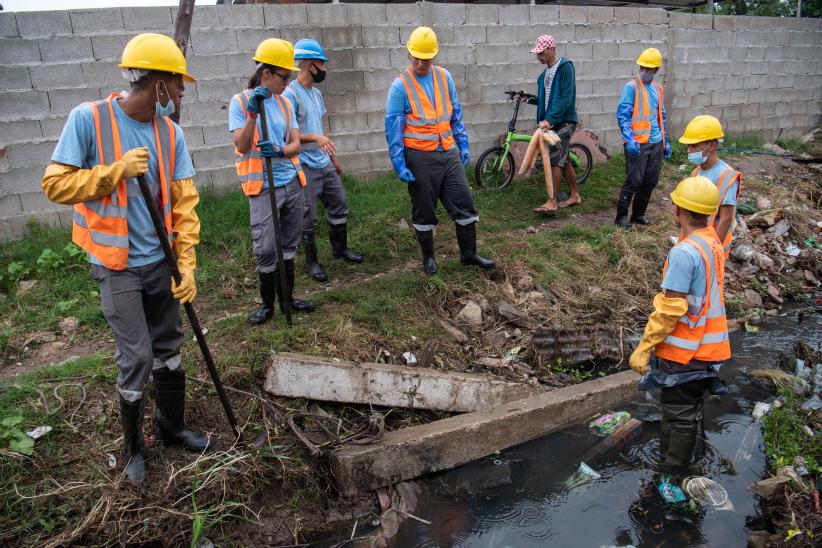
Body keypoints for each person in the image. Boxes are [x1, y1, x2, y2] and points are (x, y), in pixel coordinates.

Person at [41, 33, 210, 482]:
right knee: (136, 355)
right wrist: (113, 173)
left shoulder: (170, 133)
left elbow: (185, 205)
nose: (181, 92)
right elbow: (55, 184)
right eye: (177, 84)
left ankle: (171, 425)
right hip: (116, 265)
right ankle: (134, 447)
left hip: (160, 262)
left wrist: (186, 262)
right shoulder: (89, 119)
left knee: (169, 346)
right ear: (156, 84)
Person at [629, 176, 731, 467]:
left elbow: (670, 308)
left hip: (684, 352)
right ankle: (689, 457)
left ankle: (673, 471)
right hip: (707, 349)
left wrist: (645, 346)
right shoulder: (711, 243)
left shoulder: (684, 252)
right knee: (689, 409)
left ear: (678, 210)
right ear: (710, 212)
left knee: (680, 413)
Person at [384, 26, 494, 275]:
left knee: (464, 202)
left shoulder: (444, 77)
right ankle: (429, 259)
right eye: (417, 58)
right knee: (424, 207)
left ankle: (469, 254)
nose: (421, 63)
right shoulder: (400, 87)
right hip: (420, 156)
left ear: (434, 56)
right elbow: (393, 128)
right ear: (409, 54)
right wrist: (399, 163)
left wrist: (462, 144)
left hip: (449, 152)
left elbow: (455, 114)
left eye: (427, 58)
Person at [229, 38, 316, 325]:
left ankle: (288, 299)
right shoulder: (240, 102)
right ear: (266, 73)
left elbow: (295, 144)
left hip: (291, 182)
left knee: (288, 245)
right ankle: (267, 305)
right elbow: (242, 145)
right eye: (284, 76)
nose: (287, 82)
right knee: (267, 247)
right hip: (263, 187)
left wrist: (279, 150)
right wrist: (254, 113)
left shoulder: (284, 102)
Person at [283, 38, 363, 283]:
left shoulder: (316, 94)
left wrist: (334, 159)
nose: (325, 68)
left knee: (339, 204)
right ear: (309, 65)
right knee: (308, 216)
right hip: (304, 164)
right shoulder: (290, 94)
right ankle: (312, 263)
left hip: (324, 162)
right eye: (322, 63)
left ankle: (340, 249)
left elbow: (323, 131)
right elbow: (289, 134)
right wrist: (315, 138)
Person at [615, 47, 672, 229]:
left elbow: (660, 115)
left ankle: (638, 215)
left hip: (655, 142)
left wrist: (665, 140)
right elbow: (623, 115)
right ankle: (620, 218)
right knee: (633, 181)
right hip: (638, 143)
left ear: (656, 70)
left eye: (649, 69)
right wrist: (629, 138)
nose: (645, 72)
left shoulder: (659, 89)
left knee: (650, 182)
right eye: (643, 68)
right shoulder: (631, 87)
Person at [526, 34, 581, 214]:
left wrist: (550, 119)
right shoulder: (543, 76)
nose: (538, 56)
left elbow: (566, 98)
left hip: (564, 120)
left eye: (541, 53)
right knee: (564, 161)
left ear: (551, 49)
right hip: (551, 122)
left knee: (556, 158)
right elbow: (545, 101)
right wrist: (527, 99)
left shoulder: (565, 68)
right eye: (537, 53)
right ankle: (574, 195)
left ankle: (552, 201)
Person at [679, 115, 741, 258]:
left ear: (712, 145)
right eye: (688, 145)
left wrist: (711, 252)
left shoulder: (726, 176)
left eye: (694, 145)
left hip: (710, 248)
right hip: (694, 244)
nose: (689, 150)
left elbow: (725, 219)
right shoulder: (696, 172)